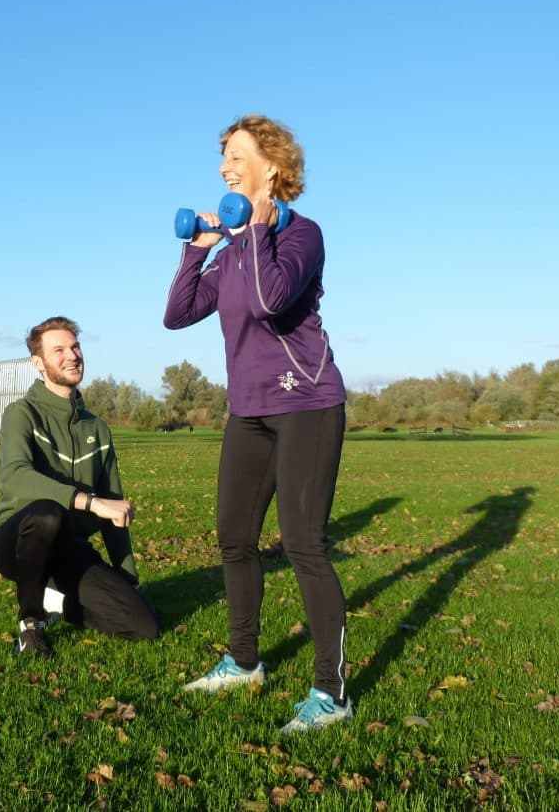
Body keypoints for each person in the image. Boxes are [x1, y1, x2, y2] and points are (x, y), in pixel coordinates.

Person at [163, 115, 350, 734]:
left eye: (236, 155)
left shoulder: (303, 236)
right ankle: (245, 661)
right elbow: (178, 312)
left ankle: (332, 692)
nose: (224, 166)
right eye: (222, 157)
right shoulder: (236, 248)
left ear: (270, 166)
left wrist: (261, 228)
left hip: (307, 407)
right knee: (235, 540)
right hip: (248, 412)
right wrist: (199, 250)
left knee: (303, 546)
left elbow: (271, 301)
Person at [0, 316, 159, 658]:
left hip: (67, 548)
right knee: (48, 513)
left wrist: (127, 578)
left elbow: (115, 506)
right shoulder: (22, 414)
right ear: (38, 363)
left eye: (75, 346)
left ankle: (55, 601)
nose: (72, 355)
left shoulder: (97, 427)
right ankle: (30, 625)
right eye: (59, 350)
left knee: (144, 626)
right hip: (17, 541)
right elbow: (15, 475)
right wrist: (90, 502)